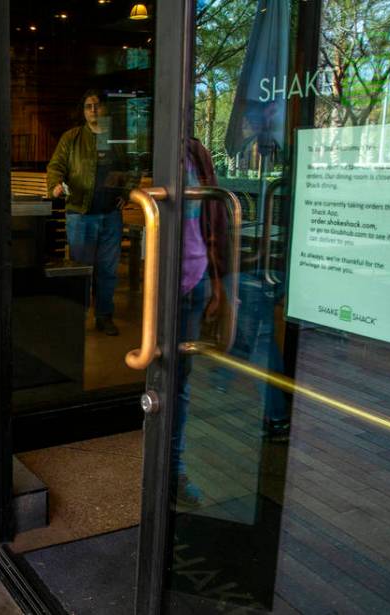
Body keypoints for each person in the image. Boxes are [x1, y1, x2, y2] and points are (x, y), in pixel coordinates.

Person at [171, 136, 229, 507]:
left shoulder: (197, 153)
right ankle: (159, 462)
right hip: (161, 285)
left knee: (182, 383)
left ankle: (173, 469)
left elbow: (213, 220)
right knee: (163, 377)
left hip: (196, 277)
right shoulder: (156, 149)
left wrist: (218, 283)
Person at [46, 90, 129, 336]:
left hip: (111, 215)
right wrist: (56, 185)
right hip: (80, 215)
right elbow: (55, 166)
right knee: (81, 270)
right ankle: (76, 318)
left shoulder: (115, 139)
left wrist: (126, 191)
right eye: (88, 106)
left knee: (108, 270)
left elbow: (129, 168)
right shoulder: (72, 138)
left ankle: (104, 316)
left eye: (97, 105)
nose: (93, 110)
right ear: (83, 111)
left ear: (104, 108)